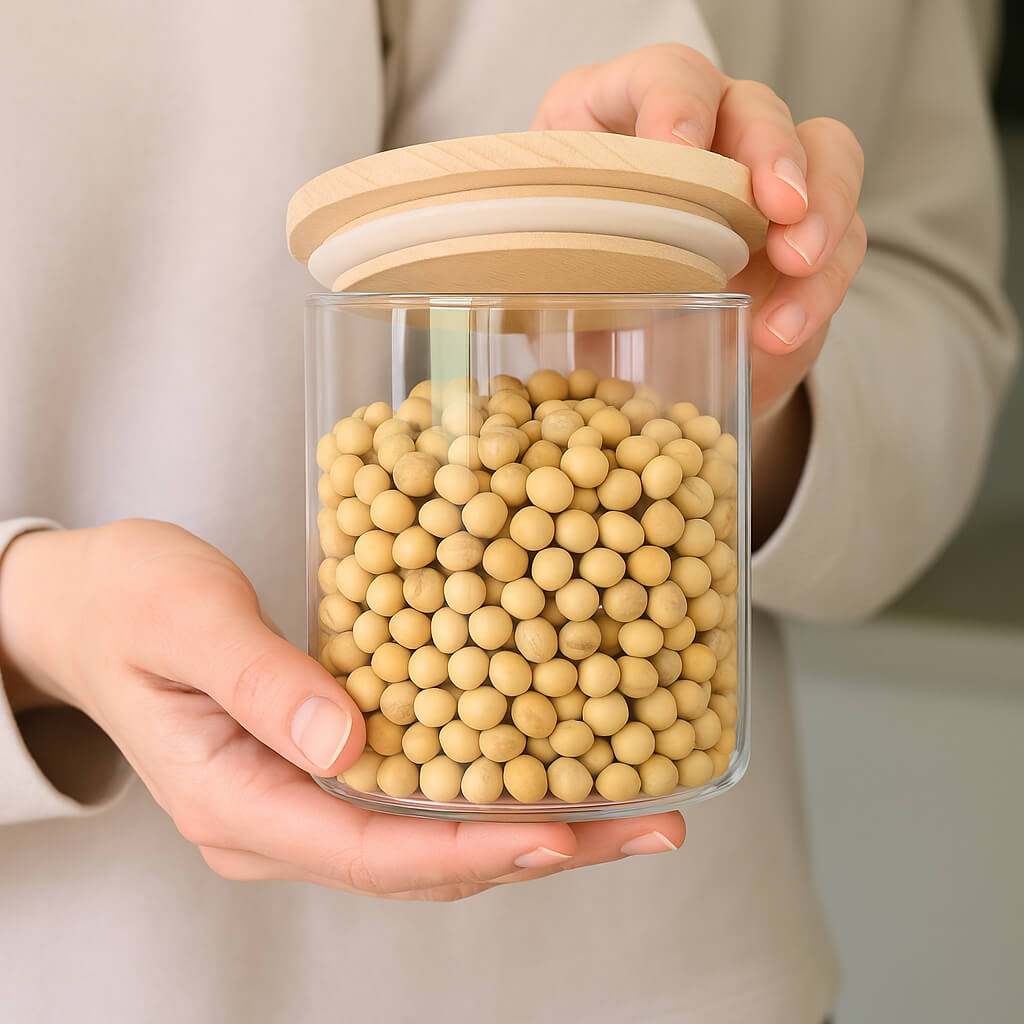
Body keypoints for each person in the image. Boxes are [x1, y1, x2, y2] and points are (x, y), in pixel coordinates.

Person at [0, 1, 1015, 1021]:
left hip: (650, 970)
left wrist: (736, 390)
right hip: (94, 969)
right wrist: (35, 622)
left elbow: (936, 317)